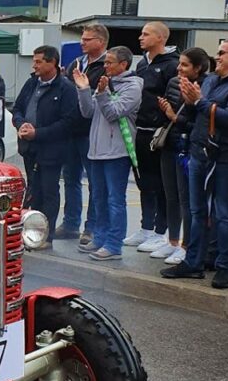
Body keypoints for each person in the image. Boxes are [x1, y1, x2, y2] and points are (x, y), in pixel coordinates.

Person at [161, 39, 228, 289]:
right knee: (197, 211)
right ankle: (194, 262)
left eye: (222, 53)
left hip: (225, 157)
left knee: (223, 213)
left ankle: (225, 266)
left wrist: (200, 101)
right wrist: (189, 101)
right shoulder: (212, 80)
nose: (217, 57)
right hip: (199, 150)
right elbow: (198, 113)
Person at [75, 46, 143, 261]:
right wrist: (84, 89)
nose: (105, 66)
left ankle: (114, 244)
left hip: (116, 152)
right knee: (99, 198)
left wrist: (102, 94)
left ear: (124, 64)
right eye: (105, 63)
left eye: (110, 62)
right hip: (96, 150)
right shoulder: (105, 83)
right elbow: (87, 112)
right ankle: (100, 237)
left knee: (115, 199)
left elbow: (114, 113)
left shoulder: (133, 86)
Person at [11, 46, 79, 245]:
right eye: (34, 61)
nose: (34, 65)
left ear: (52, 63)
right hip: (29, 148)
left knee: (49, 191)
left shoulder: (65, 88)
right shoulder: (31, 83)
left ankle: (45, 236)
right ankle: (30, 232)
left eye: (39, 61)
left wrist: (38, 133)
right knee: (34, 190)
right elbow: (17, 108)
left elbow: (68, 122)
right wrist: (20, 123)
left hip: (52, 149)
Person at [125, 21, 181, 253]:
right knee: (144, 182)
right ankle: (146, 228)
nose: (141, 37)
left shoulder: (172, 66)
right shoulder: (142, 63)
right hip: (141, 130)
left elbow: (174, 100)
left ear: (161, 38)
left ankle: (161, 232)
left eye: (146, 34)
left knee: (162, 186)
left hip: (160, 134)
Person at [152, 47, 212, 264]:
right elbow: (169, 114)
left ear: (198, 68)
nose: (179, 68)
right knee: (171, 196)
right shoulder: (173, 83)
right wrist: (167, 113)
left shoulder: (206, 86)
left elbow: (197, 121)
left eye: (185, 65)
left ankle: (187, 245)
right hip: (171, 142)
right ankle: (173, 241)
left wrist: (174, 116)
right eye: (180, 64)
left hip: (188, 146)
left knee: (187, 199)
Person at [62, 24, 108, 244]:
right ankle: (71, 224)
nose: (82, 42)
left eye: (88, 39)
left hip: (92, 131)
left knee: (95, 182)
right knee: (70, 178)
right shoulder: (76, 63)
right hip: (71, 129)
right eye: (82, 38)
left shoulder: (107, 66)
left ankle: (91, 227)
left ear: (101, 42)